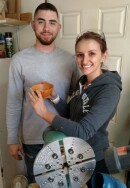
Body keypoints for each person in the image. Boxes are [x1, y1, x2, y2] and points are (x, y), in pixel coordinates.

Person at [28, 31, 122, 187]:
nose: (84, 61)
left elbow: (83, 131)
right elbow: (71, 115)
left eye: (92, 54)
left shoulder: (109, 90)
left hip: (94, 159)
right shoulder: (82, 81)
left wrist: (44, 113)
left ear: (104, 55)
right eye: (79, 55)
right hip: (74, 154)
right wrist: (54, 97)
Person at [6, 2, 80, 184]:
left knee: (64, 184)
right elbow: (14, 102)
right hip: (33, 140)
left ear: (59, 27)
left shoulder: (71, 60)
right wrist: (12, 139)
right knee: (38, 184)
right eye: (41, 21)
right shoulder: (19, 60)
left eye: (52, 22)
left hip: (64, 137)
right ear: (33, 25)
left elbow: (76, 101)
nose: (47, 28)